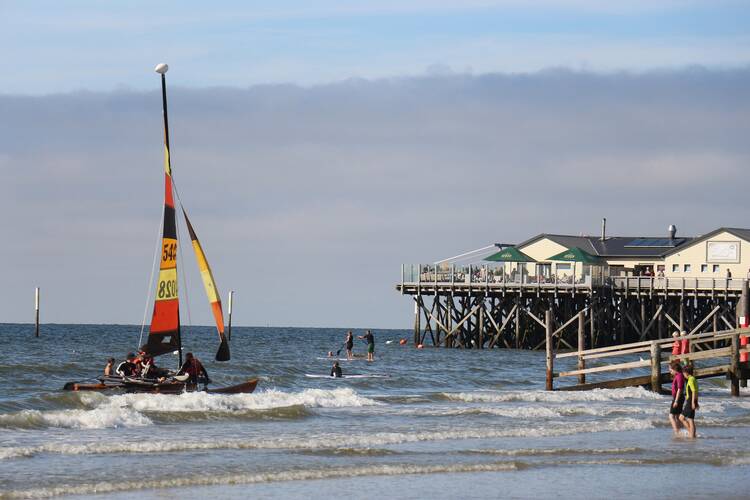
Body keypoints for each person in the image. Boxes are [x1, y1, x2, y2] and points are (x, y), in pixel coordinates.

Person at [680, 365, 699, 438]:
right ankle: (692, 434)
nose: (683, 375)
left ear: (686, 373)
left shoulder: (691, 380)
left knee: (682, 418)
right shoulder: (693, 379)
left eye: (683, 373)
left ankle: (692, 434)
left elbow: (694, 391)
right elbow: (696, 391)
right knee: (691, 419)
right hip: (692, 400)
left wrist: (693, 403)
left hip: (690, 401)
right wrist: (696, 401)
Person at [668, 361, 685, 437]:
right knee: (677, 417)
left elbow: (680, 389)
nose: (669, 371)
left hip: (678, 398)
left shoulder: (679, 376)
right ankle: (680, 431)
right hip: (678, 398)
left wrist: (676, 400)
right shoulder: (678, 376)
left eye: (670, 369)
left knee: (671, 416)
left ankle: (677, 432)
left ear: (675, 369)